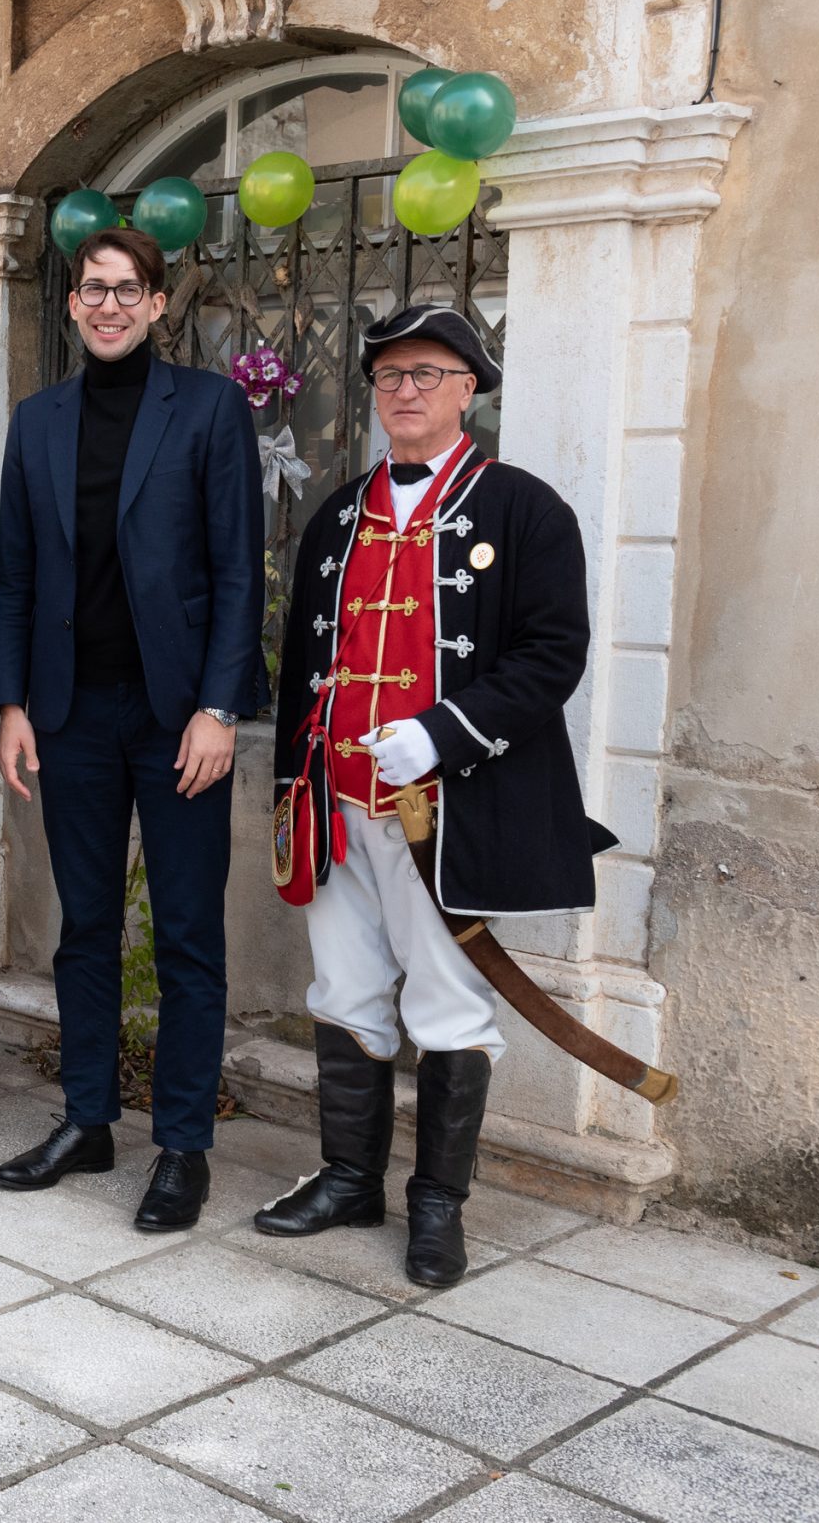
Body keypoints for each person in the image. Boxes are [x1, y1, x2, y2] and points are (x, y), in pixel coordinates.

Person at [259, 305, 607, 1286]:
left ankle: (438, 1203)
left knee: (449, 1002)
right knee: (343, 988)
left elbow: (552, 655)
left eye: (426, 373)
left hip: (449, 811)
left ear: (467, 390)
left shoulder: (525, 510)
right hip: (337, 803)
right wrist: (293, 792)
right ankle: (347, 1177)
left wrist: (440, 733)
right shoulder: (336, 515)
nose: (404, 390)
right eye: (389, 375)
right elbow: (301, 673)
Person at [0, 227, 265, 1232]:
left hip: (176, 715)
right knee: (85, 928)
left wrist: (219, 708)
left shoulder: (209, 407)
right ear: (72, 304)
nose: (108, 304)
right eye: (92, 288)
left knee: (187, 932)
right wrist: (12, 703)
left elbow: (239, 568)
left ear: (155, 303)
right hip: (70, 712)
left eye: (127, 288)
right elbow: (16, 572)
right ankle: (89, 1118)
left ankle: (183, 1145)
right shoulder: (37, 420)